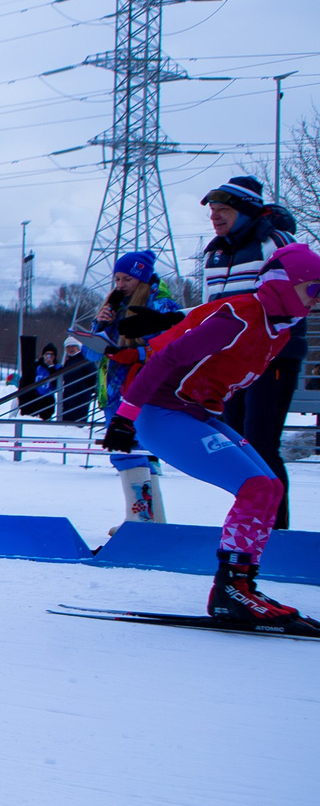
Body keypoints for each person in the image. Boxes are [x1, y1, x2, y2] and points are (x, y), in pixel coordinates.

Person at [105, 241, 320, 624]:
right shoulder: (241, 317)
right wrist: (125, 416)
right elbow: (169, 357)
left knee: (270, 487)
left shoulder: (279, 330)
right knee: (255, 486)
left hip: (196, 412)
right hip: (161, 412)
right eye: (313, 289)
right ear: (287, 285)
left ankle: (241, 585)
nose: (316, 299)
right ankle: (231, 590)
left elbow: (201, 327)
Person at [200, 174, 305, 528]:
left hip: (272, 357)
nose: (215, 216)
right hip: (231, 361)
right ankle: (249, 522)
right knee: (236, 444)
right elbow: (209, 309)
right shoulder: (215, 251)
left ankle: (275, 529)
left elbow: (292, 303)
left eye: (223, 209)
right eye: (212, 210)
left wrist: (259, 339)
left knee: (261, 441)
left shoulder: (274, 241)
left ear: (245, 211)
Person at [77, 249, 187, 524]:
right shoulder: (112, 307)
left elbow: (174, 348)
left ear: (142, 278)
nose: (120, 285)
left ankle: (144, 522)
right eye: (116, 279)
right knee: (124, 452)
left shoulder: (162, 307)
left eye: (127, 279)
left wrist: (136, 355)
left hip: (144, 389)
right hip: (112, 391)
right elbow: (91, 354)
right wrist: (100, 326)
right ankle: (147, 519)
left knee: (136, 450)